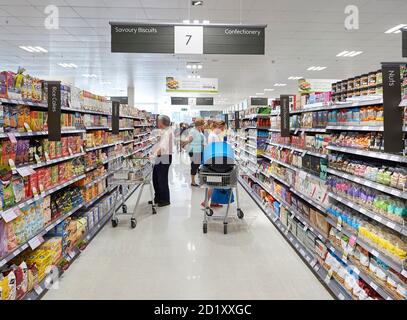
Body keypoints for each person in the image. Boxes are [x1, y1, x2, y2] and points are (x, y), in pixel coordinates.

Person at [151, 115, 173, 207]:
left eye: (158, 121)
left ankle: (164, 200)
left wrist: (153, 155)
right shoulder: (164, 131)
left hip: (163, 157)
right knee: (156, 178)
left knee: (161, 179)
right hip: (161, 157)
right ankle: (158, 198)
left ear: (162, 123)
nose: (157, 123)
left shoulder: (167, 133)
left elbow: (163, 147)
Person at [181, 118, 205, 187]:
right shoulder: (193, 131)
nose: (204, 126)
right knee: (194, 165)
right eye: (203, 124)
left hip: (198, 150)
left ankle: (196, 180)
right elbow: (189, 139)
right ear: (200, 125)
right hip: (194, 151)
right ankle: (193, 182)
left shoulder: (199, 130)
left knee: (197, 165)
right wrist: (183, 144)